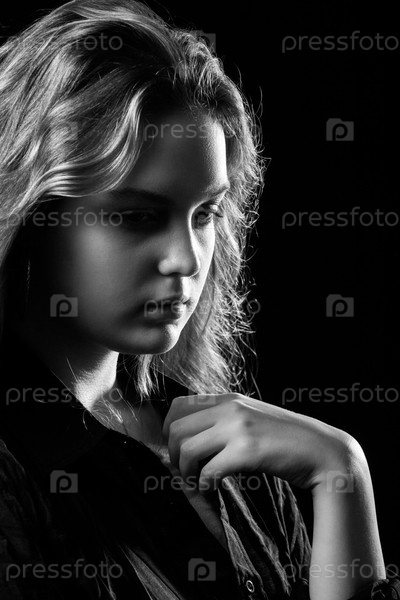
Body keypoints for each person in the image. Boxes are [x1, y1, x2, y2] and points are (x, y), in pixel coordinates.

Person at [0, 1, 398, 598]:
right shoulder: (15, 472)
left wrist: (342, 472)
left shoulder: (239, 454)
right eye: (137, 217)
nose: (186, 260)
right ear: (33, 214)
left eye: (206, 213)